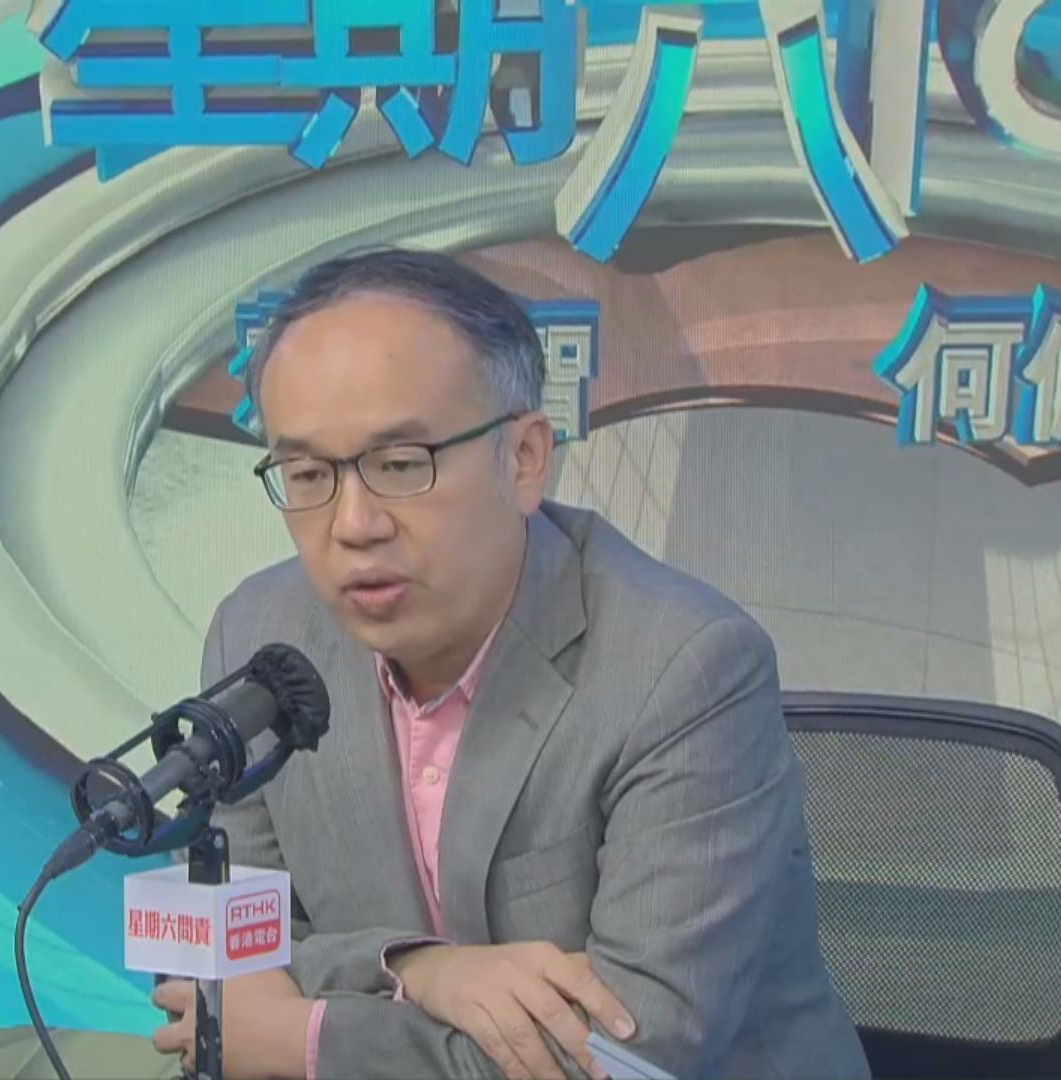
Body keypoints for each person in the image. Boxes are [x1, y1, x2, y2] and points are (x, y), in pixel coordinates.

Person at [150, 248, 869, 1080]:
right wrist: (420, 967)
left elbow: (623, 1055)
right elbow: (229, 955)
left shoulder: (684, 670)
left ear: (524, 459)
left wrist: (304, 1039)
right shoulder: (261, 636)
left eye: (400, 465)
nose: (352, 524)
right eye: (308, 473)